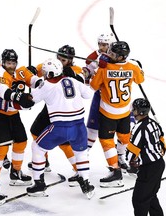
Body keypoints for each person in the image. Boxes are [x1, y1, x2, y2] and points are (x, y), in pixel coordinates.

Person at [26, 58, 95, 199]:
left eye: (45, 72)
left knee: (37, 148)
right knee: (81, 153)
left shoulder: (46, 85)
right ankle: (86, 184)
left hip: (60, 127)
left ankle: (39, 184)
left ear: (51, 73)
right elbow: (88, 94)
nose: (44, 75)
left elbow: (30, 100)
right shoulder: (73, 81)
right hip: (79, 126)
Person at [89, 41, 145, 187]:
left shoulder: (105, 68)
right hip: (125, 111)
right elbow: (141, 79)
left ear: (121, 56)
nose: (109, 54)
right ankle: (121, 157)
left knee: (106, 141)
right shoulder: (132, 67)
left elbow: (93, 86)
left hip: (108, 112)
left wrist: (99, 69)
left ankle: (115, 171)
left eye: (112, 53)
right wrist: (136, 66)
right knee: (124, 137)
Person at [28, 45, 84, 186]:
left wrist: (72, 74)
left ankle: (78, 170)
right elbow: (35, 71)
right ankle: (43, 161)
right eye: (58, 58)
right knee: (35, 131)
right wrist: (31, 72)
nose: (60, 61)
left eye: (63, 59)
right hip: (50, 109)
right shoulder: (53, 65)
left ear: (71, 60)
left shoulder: (75, 70)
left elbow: (83, 83)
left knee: (64, 143)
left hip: (66, 113)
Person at [0, 49, 42, 186]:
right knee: (2, 148)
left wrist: (43, 84)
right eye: (8, 63)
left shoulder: (20, 71)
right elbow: (3, 91)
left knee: (21, 141)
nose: (11, 66)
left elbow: (34, 80)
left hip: (12, 113)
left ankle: (15, 172)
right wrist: (20, 97)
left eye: (13, 63)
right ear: (3, 63)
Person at [84, 33, 133, 170]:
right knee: (93, 128)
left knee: (126, 131)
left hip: (118, 100)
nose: (102, 47)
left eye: (105, 44)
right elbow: (87, 69)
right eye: (100, 44)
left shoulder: (112, 60)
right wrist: (88, 73)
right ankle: (83, 154)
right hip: (102, 98)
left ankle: (121, 156)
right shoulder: (99, 58)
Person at [127, 98, 165, 216]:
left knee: (139, 200)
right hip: (159, 164)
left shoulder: (139, 128)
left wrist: (132, 162)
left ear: (140, 112)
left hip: (148, 169)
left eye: (135, 109)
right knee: (150, 196)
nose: (133, 111)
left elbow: (131, 153)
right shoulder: (154, 123)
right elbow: (162, 142)